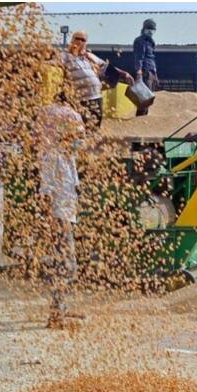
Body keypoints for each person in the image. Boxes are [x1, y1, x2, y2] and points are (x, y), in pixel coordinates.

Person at [36, 67, 87, 329]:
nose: (80, 139)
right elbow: (46, 191)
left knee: (67, 265)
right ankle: (56, 315)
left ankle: (60, 310)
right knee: (65, 265)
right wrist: (55, 221)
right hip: (59, 218)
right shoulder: (54, 156)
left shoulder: (68, 157)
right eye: (77, 135)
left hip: (66, 215)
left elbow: (72, 186)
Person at [61, 30, 132, 129]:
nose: (79, 41)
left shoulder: (89, 57)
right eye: (77, 38)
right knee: (80, 128)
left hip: (96, 97)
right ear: (72, 40)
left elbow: (105, 66)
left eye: (82, 40)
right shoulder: (65, 56)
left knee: (94, 128)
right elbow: (53, 62)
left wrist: (123, 73)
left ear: (86, 43)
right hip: (80, 100)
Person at [133, 18, 159, 116]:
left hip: (151, 71)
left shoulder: (151, 42)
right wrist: (139, 71)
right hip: (145, 71)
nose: (150, 31)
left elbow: (152, 58)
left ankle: (145, 116)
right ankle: (140, 117)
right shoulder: (140, 41)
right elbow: (139, 57)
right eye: (148, 28)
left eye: (152, 29)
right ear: (144, 29)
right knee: (144, 97)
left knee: (149, 96)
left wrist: (155, 74)